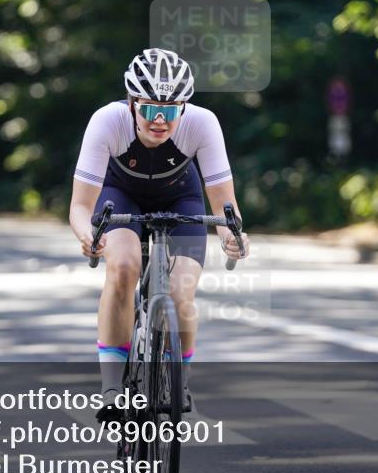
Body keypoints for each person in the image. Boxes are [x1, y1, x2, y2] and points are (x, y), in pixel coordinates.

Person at [69, 48, 250, 421]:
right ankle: (111, 389)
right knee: (123, 266)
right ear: (132, 103)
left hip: (181, 197)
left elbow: (224, 206)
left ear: (184, 107)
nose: (160, 121)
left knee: (182, 290)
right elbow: (80, 207)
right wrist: (88, 235)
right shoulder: (107, 121)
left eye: (170, 111)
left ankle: (179, 380)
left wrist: (233, 236)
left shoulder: (202, 123)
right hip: (120, 197)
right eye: (150, 109)